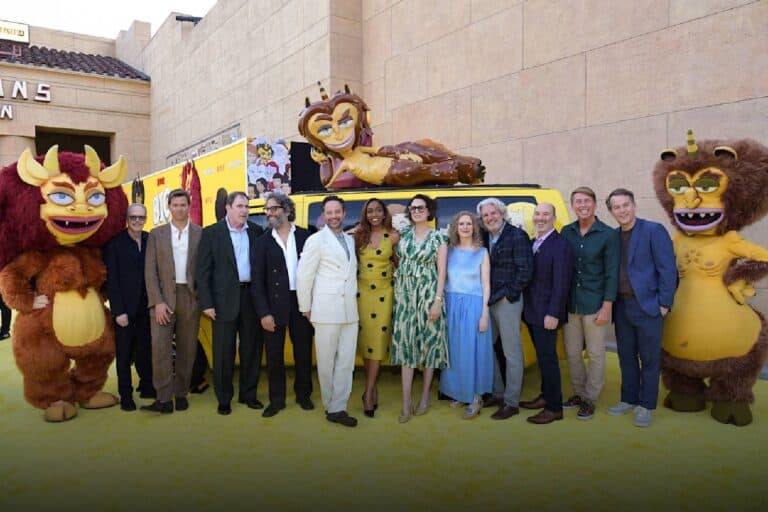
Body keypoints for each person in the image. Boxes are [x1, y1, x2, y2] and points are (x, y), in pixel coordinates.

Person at [605, 188, 676, 427]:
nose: (622, 210)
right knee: (626, 356)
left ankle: (646, 405)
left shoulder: (653, 230)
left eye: (626, 205)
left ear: (634, 205)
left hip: (648, 306)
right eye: (616, 207)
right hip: (621, 306)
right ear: (611, 212)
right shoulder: (613, 236)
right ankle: (629, 399)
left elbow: (668, 269)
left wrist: (664, 304)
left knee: (649, 358)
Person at [196, 191, 265, 416]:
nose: (244, 210)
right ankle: (224, 398)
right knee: (223, 353)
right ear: (228, 207)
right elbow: (202, 272)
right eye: (240, 206)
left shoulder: (256, 231)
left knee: (251, 350)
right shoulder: (211, 233)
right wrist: (207, 303)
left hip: (251, 299)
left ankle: (248, 395)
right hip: (222, 301)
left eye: (247, 206)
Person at [297, 195, 359, 427]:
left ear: (344, 213)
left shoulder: (349, 240)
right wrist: (305, 307)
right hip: (325, 310)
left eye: (337, 212)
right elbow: (304, 275)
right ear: (323, 215)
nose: (334, 216)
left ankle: (339, 406)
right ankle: (331, 406)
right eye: (329, 212)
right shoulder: (316, 240)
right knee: (326, 362)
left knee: (346, 363)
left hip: (349, 310)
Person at [252, 191, 315, 417]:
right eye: (267, 210)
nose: (269, 213)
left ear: (287, 210)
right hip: (273, 305)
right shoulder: (261, 242)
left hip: (302, 303)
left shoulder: (307, 237)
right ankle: (276, 400)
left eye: (274, 208)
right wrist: (264, 313)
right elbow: (257, 282)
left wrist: (312, 305)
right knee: (274, 356)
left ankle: (303, 395)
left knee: (303, 353)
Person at [561, 186, 620, 420]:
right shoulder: (567, 231)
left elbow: (612, 273)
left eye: (587, 201)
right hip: (571, 304)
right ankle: (579, 392)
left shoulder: (608, 234)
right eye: (578, 201)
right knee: (572, 352)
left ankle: (590, 398)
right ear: (573, 205)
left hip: (595, 303)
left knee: (595, 353)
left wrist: (607, 306)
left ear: (594, 204)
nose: (583, 205)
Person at [143, 189, 202, 414]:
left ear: (189, 206)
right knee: (160, 349)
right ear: (169, 207)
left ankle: (181, 393)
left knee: (187, 348)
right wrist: (157, 301)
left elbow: (205, 268)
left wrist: (200, 297)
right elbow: (150, 271)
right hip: (163, 298)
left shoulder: (199, 233)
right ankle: (164, 398)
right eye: (175, 205)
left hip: (189, 297)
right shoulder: (156, 234)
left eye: (183, 205)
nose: (179, 209)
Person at [391, 194, 448, 423]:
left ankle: (425, 396)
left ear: (429, 210)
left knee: (429, 345)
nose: (416, 211)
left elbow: (442, 272)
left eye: (421, 207)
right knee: (406, 346)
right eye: (412, 208)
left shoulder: (438, 238)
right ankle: (406, 402)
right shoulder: (403, 234)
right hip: (405, 298)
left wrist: (437, 301)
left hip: (428, 296)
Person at [477, 197, 533, 420]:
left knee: (512, 352)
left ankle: (511, 402)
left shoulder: (517, 235)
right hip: (488, 301)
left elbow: (525, 270)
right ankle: (498, 392)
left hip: (507, 301)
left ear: (502, 213)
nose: (490, 218)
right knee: (486, 347)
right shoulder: (484, 237)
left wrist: (510, 295)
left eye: (493, 213)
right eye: (485, 215)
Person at [520, 203, 574, 424]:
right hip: (532, 311)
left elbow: (562, 283)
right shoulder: (534, 242)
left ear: (553, 218)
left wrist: (554, 313)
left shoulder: (560, 245)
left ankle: (554, 408)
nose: (540, 218)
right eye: (538, 214)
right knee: (543, 359)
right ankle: (545, 396)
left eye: (546, 214)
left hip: (547, 314)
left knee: (548, 360)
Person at [438, 211, 492, 419]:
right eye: (461, 223)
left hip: (474, 305)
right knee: (455, 351)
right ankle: (460, 392)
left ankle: (476, 396)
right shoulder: (449, 251)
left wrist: (484, 313)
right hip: (452, 304)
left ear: (474, 227)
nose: (465, 227)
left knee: (473, 351)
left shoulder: (482, 252)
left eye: (469, 223)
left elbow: (486, 284)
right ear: (455, 227)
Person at [103, 203, 154, 411]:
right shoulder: (114, 245)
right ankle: (126, 395)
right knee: (124, 354)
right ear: (127, 219)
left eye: (141, 217)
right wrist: (118, 311)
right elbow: (112, 281)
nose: (137, 221)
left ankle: (147, 385)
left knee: (145, 349)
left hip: (146, 307)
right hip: (124, 309)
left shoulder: (150, 239)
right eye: (133, 217)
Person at [354, 198, 400, 417]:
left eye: (378, 210)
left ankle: (369, 390)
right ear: (366, 214)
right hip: (362, 294)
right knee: (367, 342)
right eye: (370, 211)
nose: (374, 214)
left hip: (384, 293)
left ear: (384, 213)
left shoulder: (394, 236)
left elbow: (400, 263)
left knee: (378, 341)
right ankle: (372, 389)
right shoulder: (358, 236)